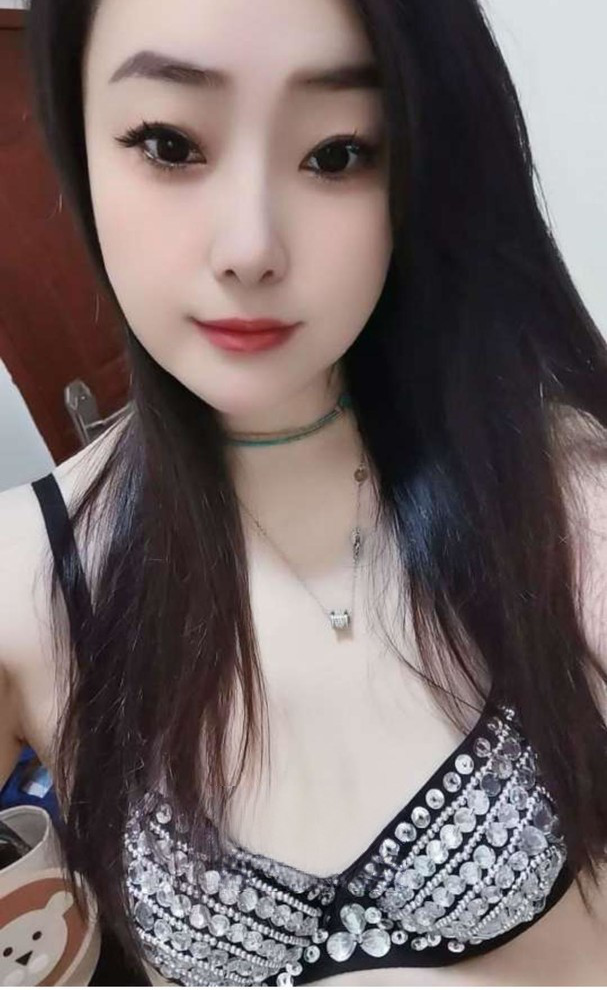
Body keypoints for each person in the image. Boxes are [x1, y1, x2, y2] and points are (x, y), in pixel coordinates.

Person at [2, 0, 607, 986]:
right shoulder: (25, 576)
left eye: (337, 154)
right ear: (78, 140)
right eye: (168, 143)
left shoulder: (566, 499)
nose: (250, 246)